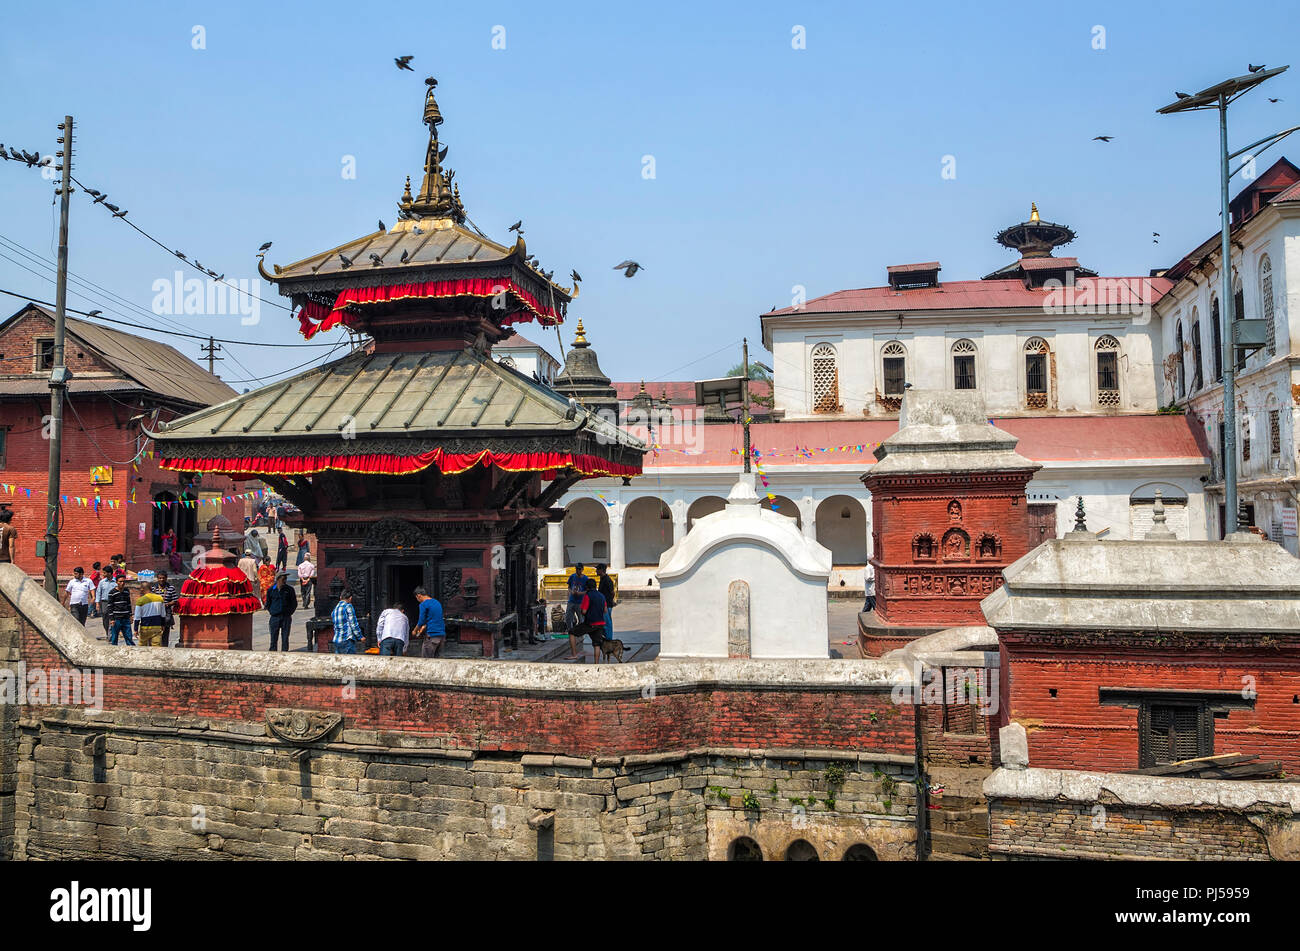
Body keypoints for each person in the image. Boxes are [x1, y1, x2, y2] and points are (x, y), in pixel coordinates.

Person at [570, 576, 607, 663]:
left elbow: (584, 611)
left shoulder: (588, 596)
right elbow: (605, 610)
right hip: (600, 623)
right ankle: (596, 663)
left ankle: (574, 654)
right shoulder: (602, 596)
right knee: (596, 644)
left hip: (590, 623)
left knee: (571, 632)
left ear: (587, 587)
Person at [265, 570, 297, 652]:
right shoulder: (271, 590)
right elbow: (268, 603)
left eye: (286, 579)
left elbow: (294, 603)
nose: (285, 581)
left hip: (286, 617)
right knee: (273, 638)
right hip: (275, 617)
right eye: (283, 579)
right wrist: (272, 611)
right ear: (278, 579)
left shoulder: (289, 590)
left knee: (285, 638)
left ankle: (285, 653)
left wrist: (289, 612)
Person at [412, 586, 445, 658]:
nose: (417, 600)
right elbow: (434, 618)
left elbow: (421, 621)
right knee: (438, 662)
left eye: (416, 598)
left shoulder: (423, 604)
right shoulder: (437, 602)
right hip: (441, 636)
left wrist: (414, 631)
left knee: (426, 661)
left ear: (419, 596)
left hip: (432, 636)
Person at [105, 573, 136, 646]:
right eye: (120, 581)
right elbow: (110, 606)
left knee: (129, 637)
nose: (122, 583)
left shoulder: (126, 591)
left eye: (123, 582)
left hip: (125, 618)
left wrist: (130, 615)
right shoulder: (112, 592)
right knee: (114, 638)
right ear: (116, 582)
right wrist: (112, 619)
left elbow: (128, 604)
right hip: (116, 619)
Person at [133, 582, 166, 647]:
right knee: (156, 647)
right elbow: (163, 614)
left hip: (145, 628)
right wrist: (163, 625)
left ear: (142, 589)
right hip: (157, 627)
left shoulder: (140, 600)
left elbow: (137, 617)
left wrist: (135, 629)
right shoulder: (160, 598)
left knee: (142, 647)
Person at [331, 589, 364, 654]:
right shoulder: (348, 606)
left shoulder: (335, 609)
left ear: (340, 597)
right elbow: (353, 624)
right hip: (346, 639)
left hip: (337, 639)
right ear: (350, 598)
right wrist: (360, 637)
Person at [564, 562, 586, 650]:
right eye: (577, 569)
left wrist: (579, 593)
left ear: (582, 569)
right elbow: (569, 586)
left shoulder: (585, 579)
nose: (578, 571)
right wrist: (570, 592)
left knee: (581, 618)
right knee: (568, 617)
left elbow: (587, 591)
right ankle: (570, 631)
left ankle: (580, 633)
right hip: (571, 601)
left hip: (580, 601)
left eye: (579, 569)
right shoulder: (572, 577)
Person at [157, 570, 179, 647]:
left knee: (165, 632)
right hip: (157, 613)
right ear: (157, 579)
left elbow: (175, 600)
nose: (161, 580)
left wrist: (167, 604)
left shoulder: (171, 588)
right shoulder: (154, 588)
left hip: (167, 612)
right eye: (160, 578)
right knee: (156, 632)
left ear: (166, 578)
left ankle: (165, 648)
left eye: (163, 578)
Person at [95, 566, 117, 639]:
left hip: (114, 602)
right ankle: (107, 632)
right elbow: (98, 592)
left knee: (113, 618)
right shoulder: (102, 582)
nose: (103, 574)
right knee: (105, 617)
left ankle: (111, 634)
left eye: (104, 573)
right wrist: (97, 603)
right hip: (104, 602)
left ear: (109, 573)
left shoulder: (116, 581)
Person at [596, 563, 616, 640]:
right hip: (603, 605)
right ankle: (606, 638)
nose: (596, 571)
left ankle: (609, 639)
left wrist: (609, 601)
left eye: (597, 569)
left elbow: (612, 593)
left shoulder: (607, 580)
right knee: (604, 623)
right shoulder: (602, 579)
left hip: (606, 605)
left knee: (607, 623)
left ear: (601, 570)